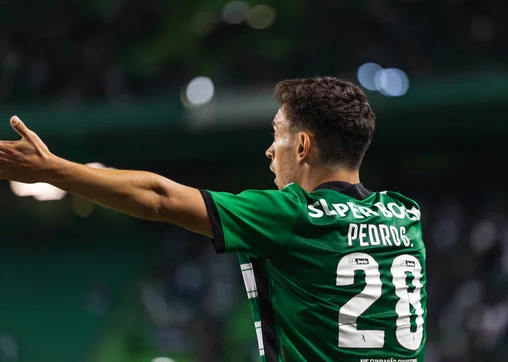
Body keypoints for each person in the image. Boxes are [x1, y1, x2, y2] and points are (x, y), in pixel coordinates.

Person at [0, 77, 427, 362]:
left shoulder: (293, 213)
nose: (269, 150)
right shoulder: (406, 215)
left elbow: (159, 199)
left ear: (301, 146)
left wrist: (49, 169)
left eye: (276, 135)